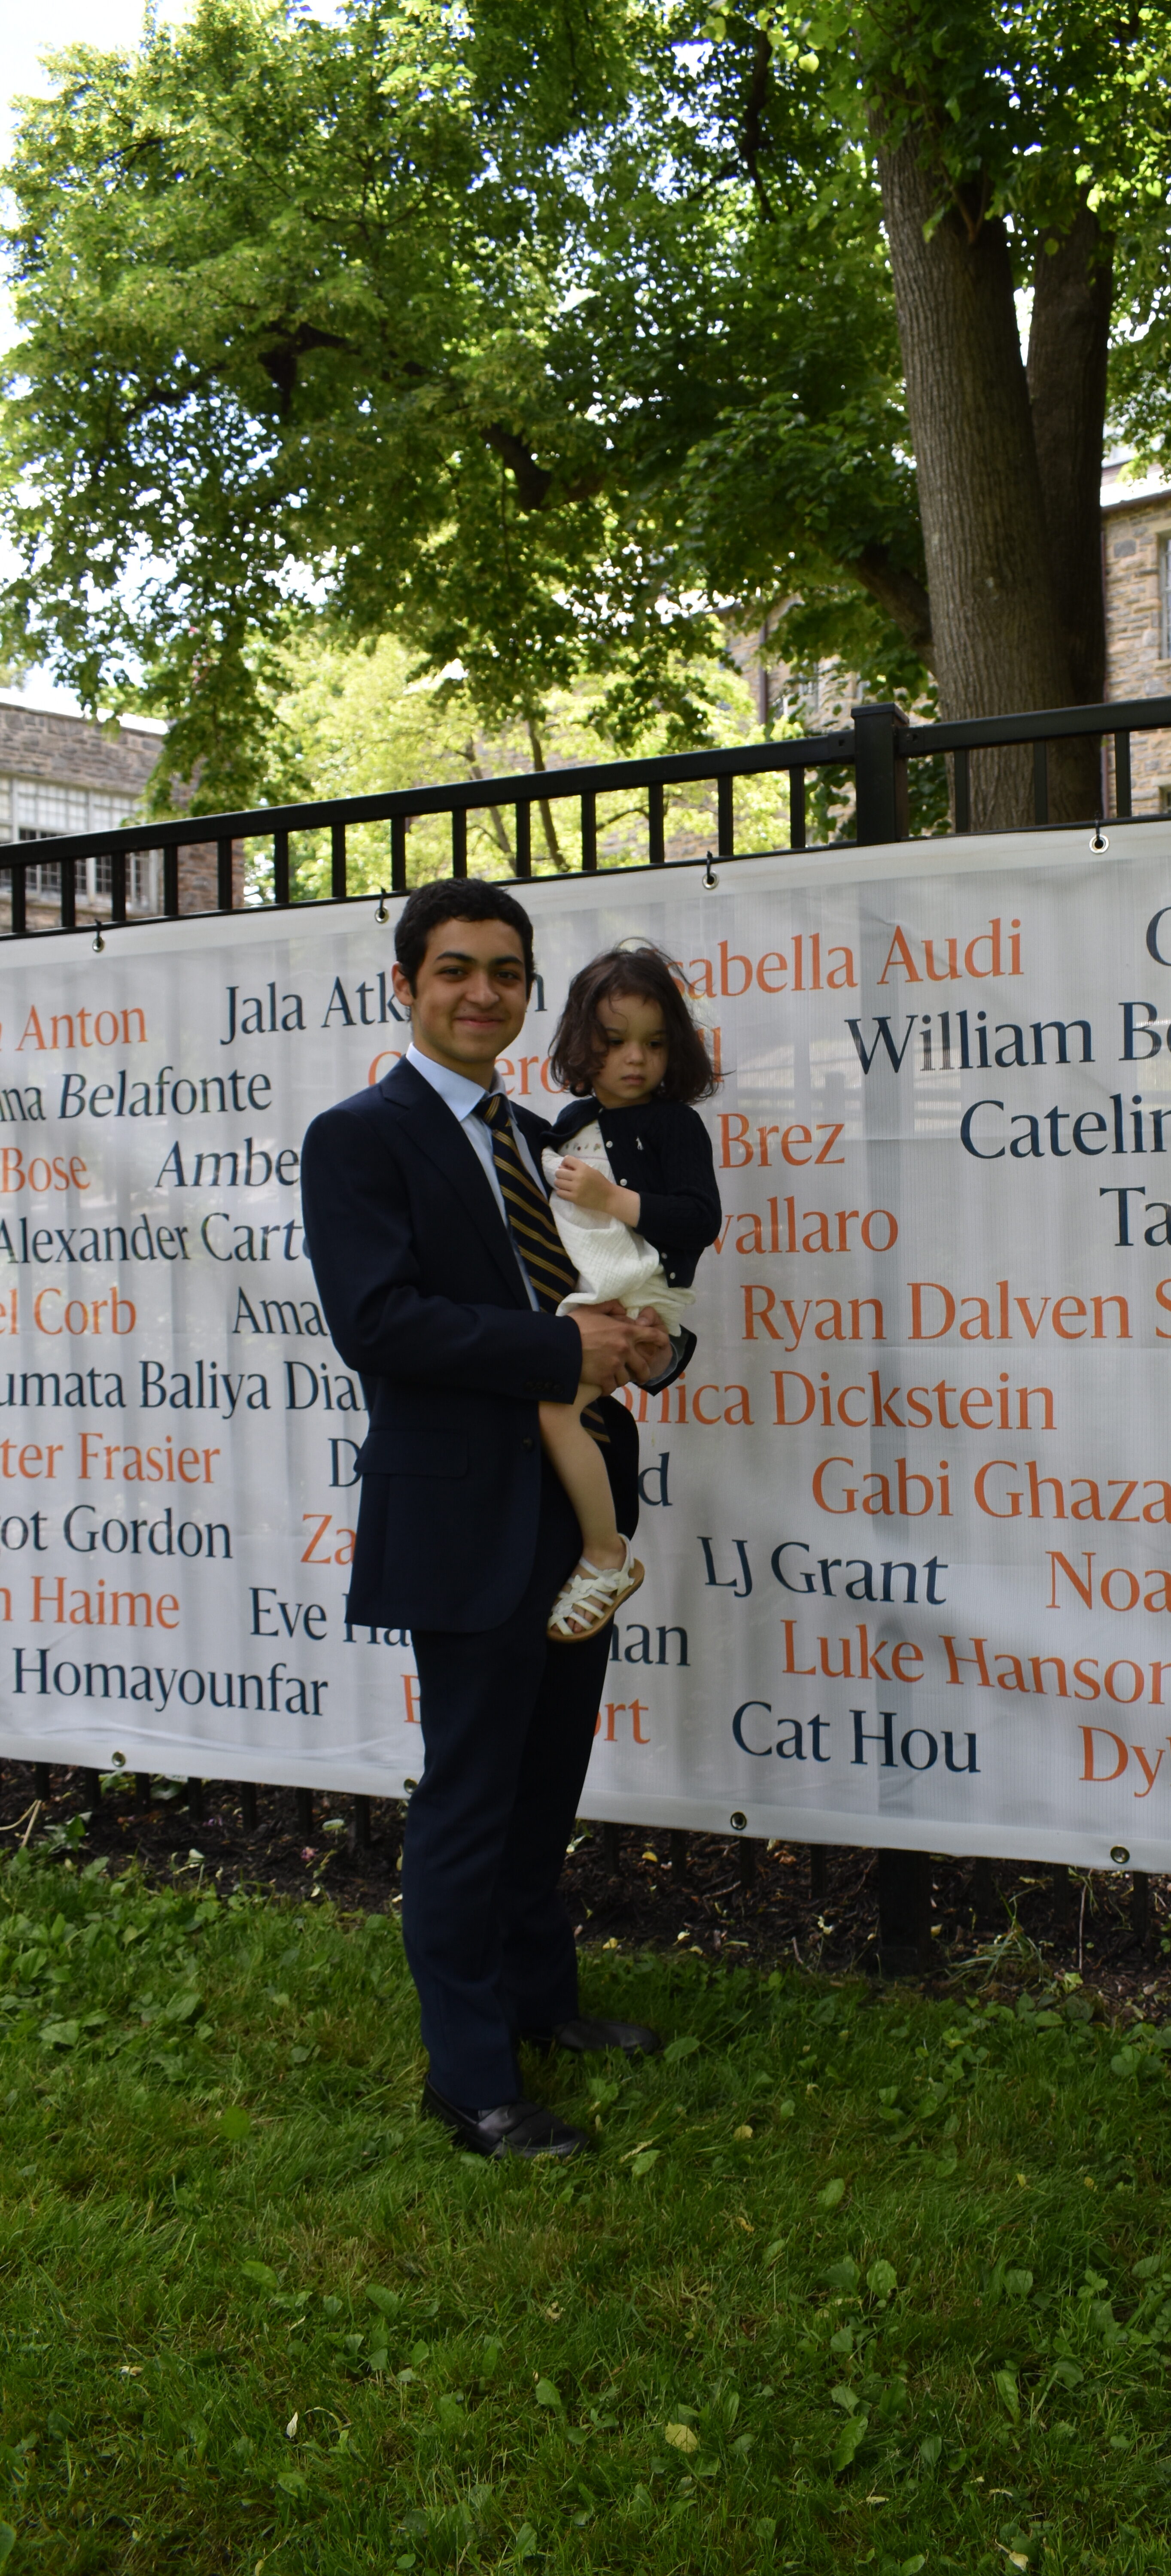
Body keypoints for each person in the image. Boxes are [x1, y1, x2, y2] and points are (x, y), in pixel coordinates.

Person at [300, 880, 692, 2161]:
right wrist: (555, 1345)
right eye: (457, 968)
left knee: (546, 1775)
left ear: (531, 992)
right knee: (473, 1791)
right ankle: (471, 2081)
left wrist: (640, 1346)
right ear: (406, 985)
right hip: (467, 1509)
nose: (484, 992)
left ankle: (538, 2003)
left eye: (508, 972)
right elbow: (381, 1323)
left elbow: (614, 1289)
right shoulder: (358, 1137)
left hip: (577, 1498)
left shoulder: (541, 1138)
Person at [534, 944, 721, 1643]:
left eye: (654, 1043)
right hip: (594, 1290)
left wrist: (614, 1197)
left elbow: (701, 1219)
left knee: (557, 1407)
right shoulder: (568, 1120)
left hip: (644, 1290)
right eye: (614, 1043)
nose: (635, 1060)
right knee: (551, 1407)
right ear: (583, 1045)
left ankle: (606, 1555)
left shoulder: (676, 1125)